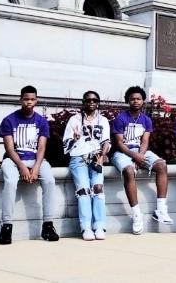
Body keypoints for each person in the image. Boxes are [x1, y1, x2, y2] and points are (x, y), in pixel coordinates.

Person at [0, 85, 59, 245]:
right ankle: (6, 227)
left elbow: (42, 148)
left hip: (35, 159)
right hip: (13, 159)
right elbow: (9, 149)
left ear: (36, 101)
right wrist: (22, 167)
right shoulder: (9, 120)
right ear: (20, 100)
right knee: (10, 181)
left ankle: (48, 225)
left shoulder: (41, 121)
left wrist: (36, 167)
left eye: (32, 99)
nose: (29, 102)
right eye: (26, 99)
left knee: (50, 180)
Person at [111, 86, 172, 234]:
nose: (135, 101)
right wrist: (134, 157)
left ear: (143, 101)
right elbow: (119, 143)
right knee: (129, 171)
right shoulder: (120, 118)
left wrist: (140, 156)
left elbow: (145, 141)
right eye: (132, 99)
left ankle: (161, 209)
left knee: (162, 165)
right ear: (128, 101)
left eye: (138, 99)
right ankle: (137, 214)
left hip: (140, 151)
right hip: (122, 152)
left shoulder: (146, 120)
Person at [63, 91, 111, 240]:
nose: (91, 102)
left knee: (98, 189)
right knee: (83, 191)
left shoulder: (102, 120)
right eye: (88, 100)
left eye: (95, 100)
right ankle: (86, 228)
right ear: (83, 102)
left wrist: (102, 156)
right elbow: (65, 144)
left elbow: (106, 142)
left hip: (96, 158)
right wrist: (76, 138)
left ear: (98, 103)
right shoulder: (74, 120)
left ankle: (100, 226)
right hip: (79, 158)